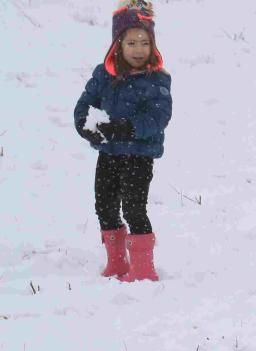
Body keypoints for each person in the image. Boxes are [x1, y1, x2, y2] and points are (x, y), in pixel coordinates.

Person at [74, 0, 172, 282]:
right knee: (104, 205)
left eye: (144, 42)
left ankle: (143, 271)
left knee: (132, 207)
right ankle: (116, 263)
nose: (139, 49)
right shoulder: (104, 74)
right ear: (118, 44)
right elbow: (84, 104)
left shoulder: (157, 80)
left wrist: (125, 128)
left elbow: (158, 117)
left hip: (138, 156)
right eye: (131, 43)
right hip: (108, 153)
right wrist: (85, 125)